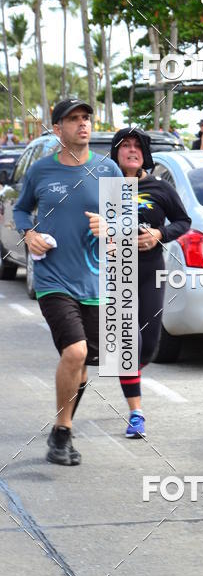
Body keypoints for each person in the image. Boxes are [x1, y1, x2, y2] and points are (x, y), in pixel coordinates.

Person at [13, 99, 122, 466]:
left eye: (86, 118)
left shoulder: (108, 169)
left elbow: (124, 222)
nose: (82, 124)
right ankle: (62, 429)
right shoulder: (42, 171)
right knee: (74, 353)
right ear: (57, 129)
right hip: (52, 277)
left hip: (95, 281)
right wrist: (28, 234)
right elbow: (19, 208)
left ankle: (63, 428)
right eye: (73, 119)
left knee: (83, 362)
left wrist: (110, 227)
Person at [110, 128, 191, 437]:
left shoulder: (159, 187)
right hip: (116, 272)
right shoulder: (105, 187)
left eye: (137, 146)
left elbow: (183, 221)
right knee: (128, 342)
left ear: (145, 153)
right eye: (125, 146)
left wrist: (160, 234)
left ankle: (131, 373)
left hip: (151, 269)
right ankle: (136, 413)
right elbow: (85, 221)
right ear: (116, 152)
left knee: (150, 344)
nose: (132, 150)